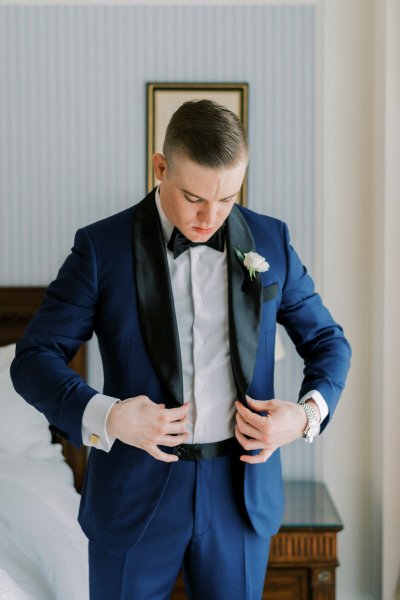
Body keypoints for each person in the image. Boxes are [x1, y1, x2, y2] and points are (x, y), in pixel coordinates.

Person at [11, 99, 351, 600]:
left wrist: (303, 417)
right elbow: (33, 358)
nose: (209, 218)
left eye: (227, 198)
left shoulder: (271, 241)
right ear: (160, 167)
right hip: (132, 490)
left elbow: (328, 342)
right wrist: (108, 416)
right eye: (193, 197)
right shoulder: (100, 248)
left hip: (240, 491)